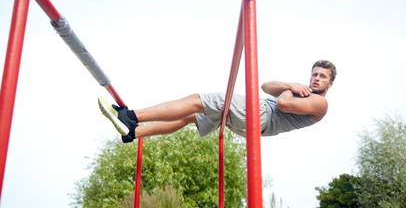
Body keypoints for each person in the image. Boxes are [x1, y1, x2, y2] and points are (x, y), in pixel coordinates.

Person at [98, 60, 336, 143]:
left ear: (329, 84)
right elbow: (266, 86)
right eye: (314, 74)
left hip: (259, 114)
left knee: (196, 100)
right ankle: (133, 134)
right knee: (192, 117)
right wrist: (290, 85)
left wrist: (290, 90)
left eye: (322, 76)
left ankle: (131, 117)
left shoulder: (319, 104)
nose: (316, 78)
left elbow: (283, 104)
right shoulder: (299, 91)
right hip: (254, 124)